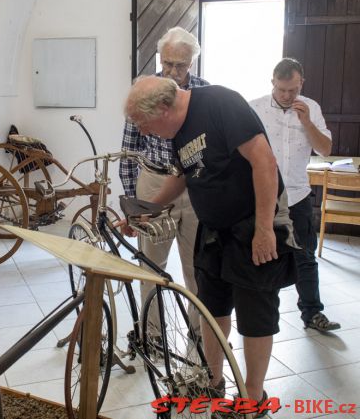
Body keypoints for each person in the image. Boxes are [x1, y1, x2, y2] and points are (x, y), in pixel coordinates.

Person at [124, 76, 297, 409]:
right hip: (215, 229)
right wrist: (149, 210)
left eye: (144, 124)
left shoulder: (221, 104)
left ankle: (253, 397)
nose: (144, 132)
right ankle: (212, 382)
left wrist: (263, 229)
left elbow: (264, 162)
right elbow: (184, 174)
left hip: (252, 223)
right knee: (211, 307)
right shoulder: (178, 130)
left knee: (255, 314)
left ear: (164, 107)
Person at [119, 27, 209, 333]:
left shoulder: (203, 93)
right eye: (167, 62)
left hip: (195, 188)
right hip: (155, 183)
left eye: (179, 65)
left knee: (198, 267)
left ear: (192, 63)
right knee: (152, 266)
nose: (171, 71)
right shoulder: (145, 92)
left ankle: (199, 334)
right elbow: (130, 153)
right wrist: (134, 207)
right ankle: (152, 334)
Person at [249, 58, 340, 333]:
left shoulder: (311, 108)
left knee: (305, 256)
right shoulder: (255, 108)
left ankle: (312, 314)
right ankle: (260, 315)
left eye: (293, 90)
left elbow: (325, 150)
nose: (287, 96)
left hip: (298, 196)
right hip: (263, 198)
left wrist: (307, 123)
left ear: (301, 83)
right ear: (272, 83)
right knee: (263, 256)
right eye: (281, 90)